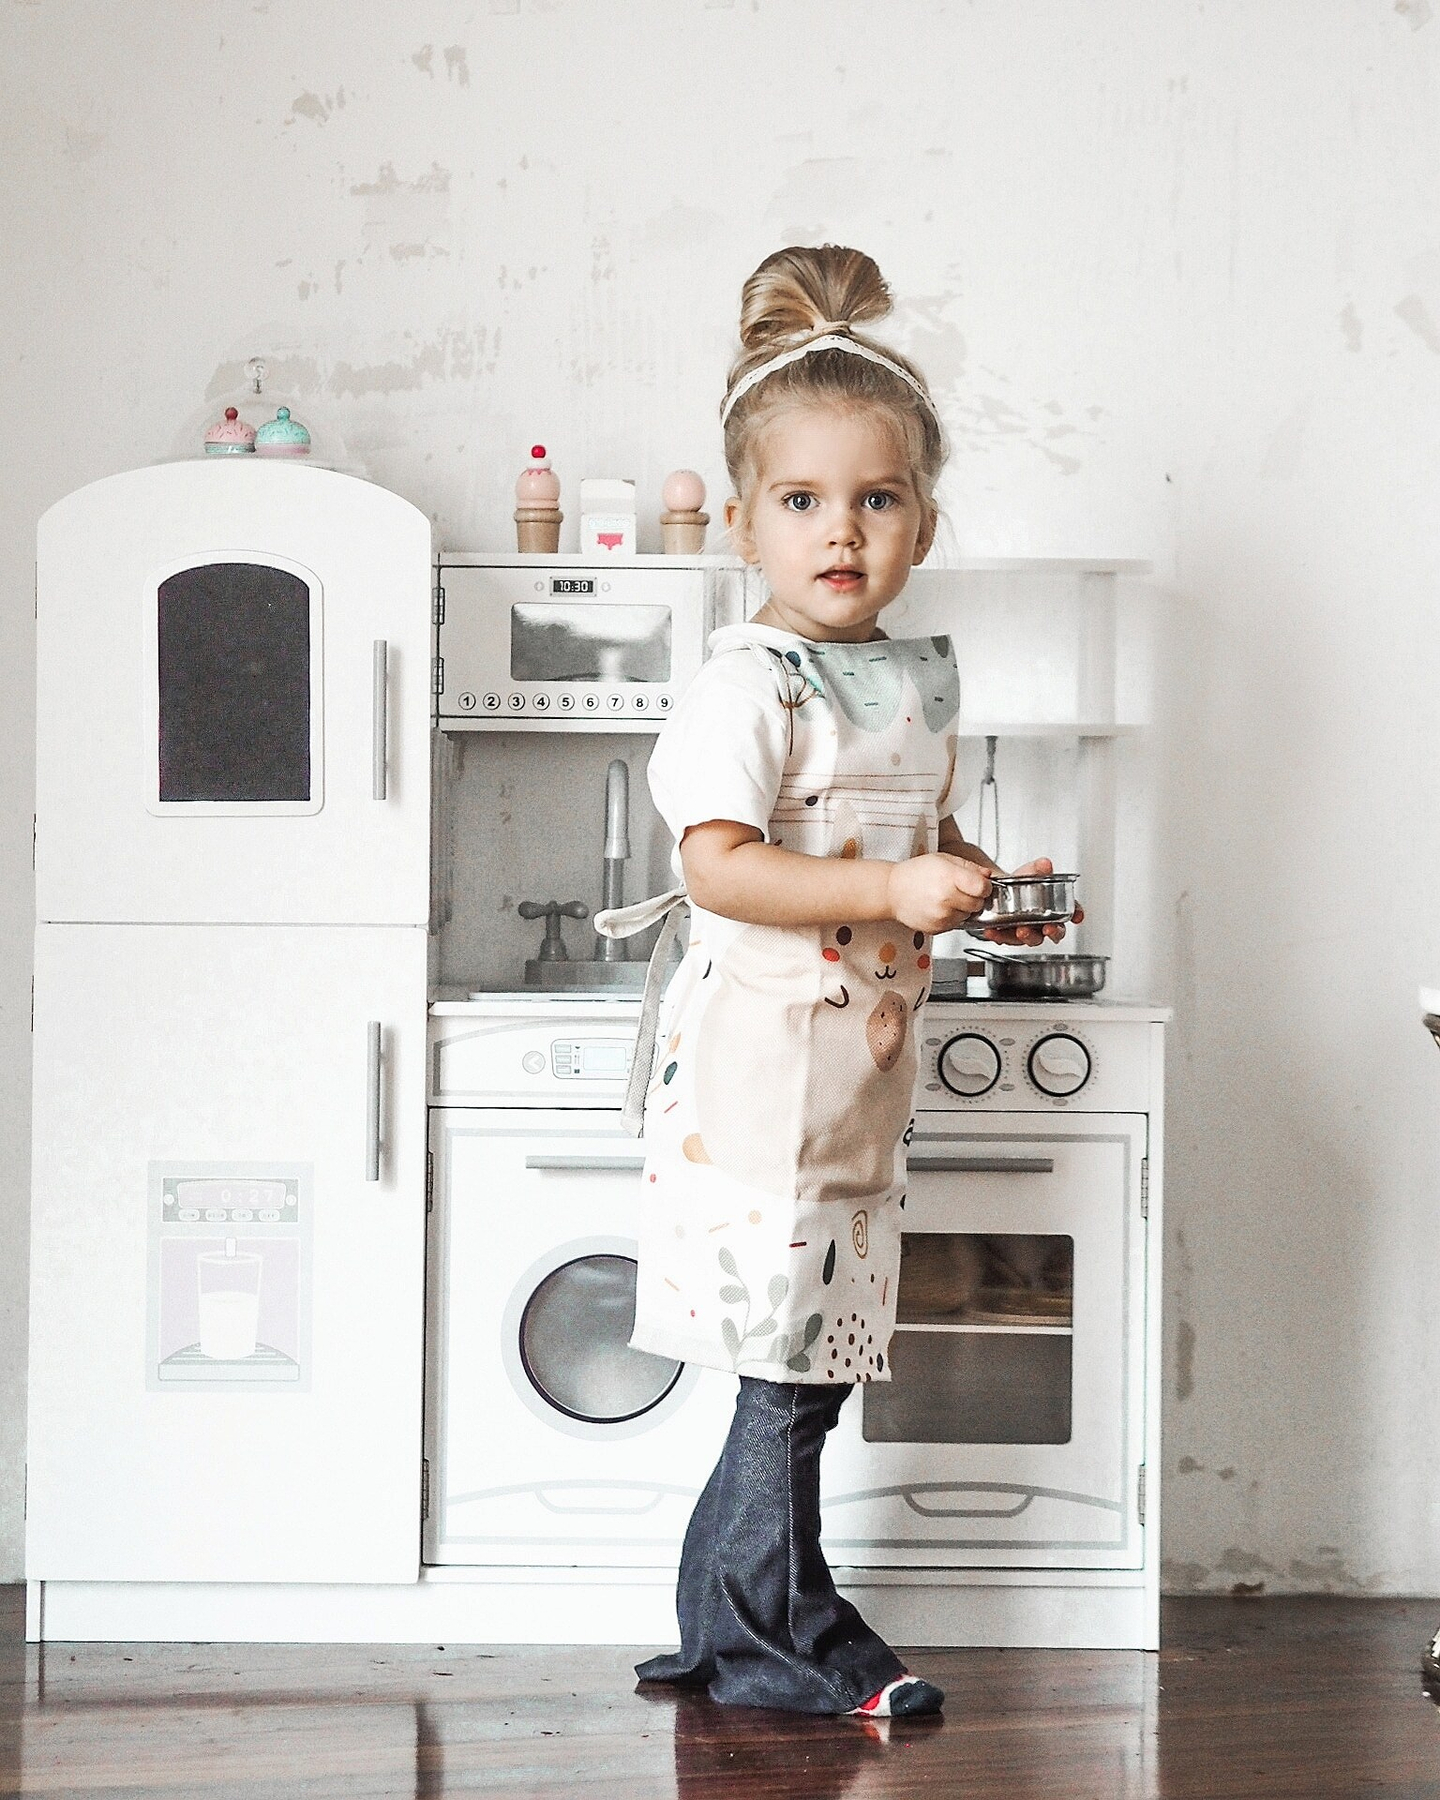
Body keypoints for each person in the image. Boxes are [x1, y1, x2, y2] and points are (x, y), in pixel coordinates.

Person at [598, 244, 1076, 1717]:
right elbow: (728, 866)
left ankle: (723, 1625)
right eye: (802, 502)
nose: (842, 533)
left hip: (855, 1078)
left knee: (800, 1359)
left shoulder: (914, 678)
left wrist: (962, 874)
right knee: (781, 1371)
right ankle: (778, 1638)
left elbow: (898, 831)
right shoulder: (745, 681)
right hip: (757, 1077)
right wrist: (885, 889)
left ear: (923, 521)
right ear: (743, 520)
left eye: (875, 499)